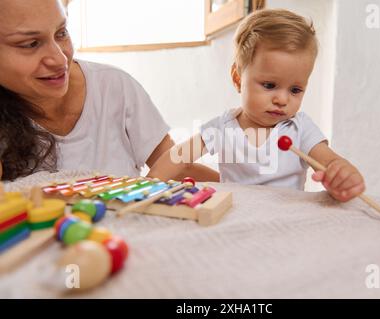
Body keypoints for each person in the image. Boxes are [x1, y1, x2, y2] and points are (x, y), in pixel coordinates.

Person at [149, 9, 365, 202]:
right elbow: (178, 157)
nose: (282, 99)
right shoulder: (223, 127)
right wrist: (147, 184)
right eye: (270, 85)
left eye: (295, 90)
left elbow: (331, 161)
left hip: (285, 221)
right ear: (237, 79)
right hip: (234, 217)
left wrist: (343, 176)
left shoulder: (300, 129)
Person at [0, 0, 218, 182]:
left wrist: (248, 189)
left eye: (61, 33)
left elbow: (178, 167)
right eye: (30, 44)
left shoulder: (114, 86)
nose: (60, 59)